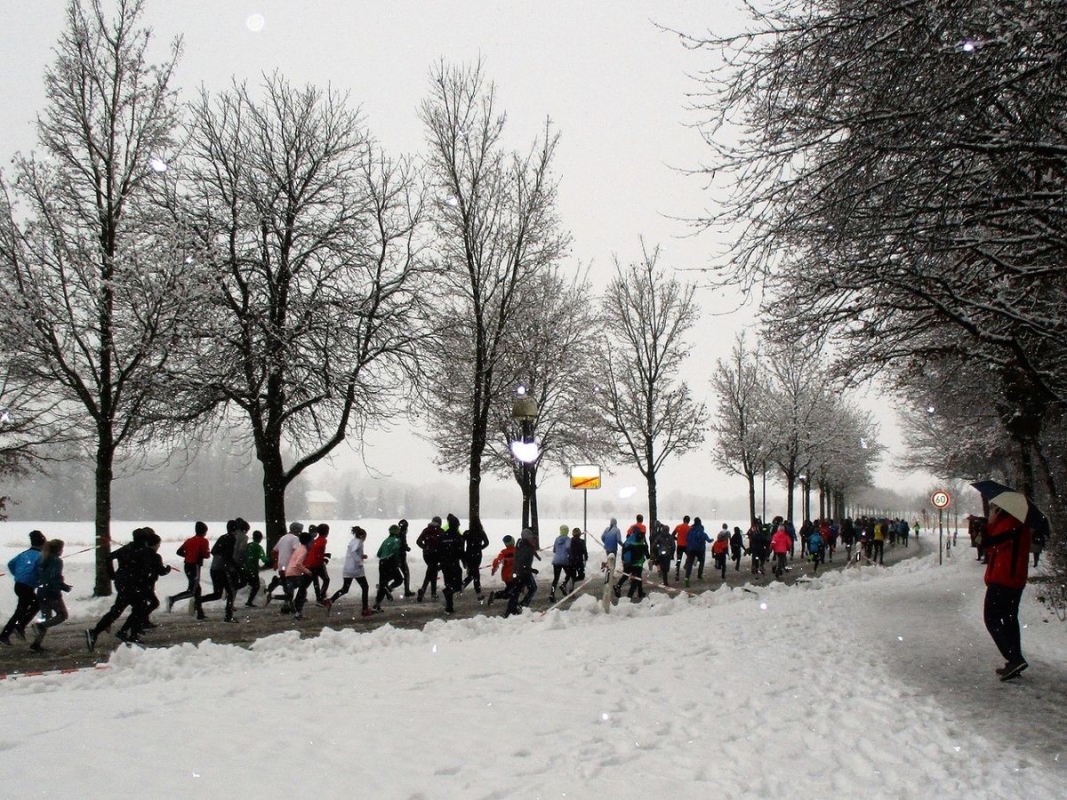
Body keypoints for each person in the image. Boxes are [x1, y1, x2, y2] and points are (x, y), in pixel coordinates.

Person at [982, 501, 1032, 681]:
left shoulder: (1010, 524)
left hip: (1003, 579)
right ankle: (1014, 660)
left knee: (991, 618)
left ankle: (1014, 658)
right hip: (1013, 579)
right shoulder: (1020, 523)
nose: (994, 509)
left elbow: (988, 544)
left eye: (996, 507)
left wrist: (990, 524)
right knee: (1010, 619)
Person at [0, 529, 46, 646]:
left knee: (21, 610)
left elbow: (11, 563)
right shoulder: (40, 556)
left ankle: (7, 634)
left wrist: (18, 574)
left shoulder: (24, 554)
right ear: (42, 544)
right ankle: (18, 627)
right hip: (27, 586)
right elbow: (41, 571)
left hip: (19, 585)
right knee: (36, 605)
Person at [30, 539, 71, 652]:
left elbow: (38, 574)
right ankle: (40, 626)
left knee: (47, 618)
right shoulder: (57, 561)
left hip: (41, 591)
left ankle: (36, 644)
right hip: (52, 593)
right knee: (62, 615)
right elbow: (54, 577)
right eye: (62, 548)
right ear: (58, 549)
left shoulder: (41, 559)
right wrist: (64, 587)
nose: (62, 551)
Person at [166, 521, 211, 618]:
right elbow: (206, 554)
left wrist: (188, 555)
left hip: (187, 566)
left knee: (197, 589)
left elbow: (179, 551)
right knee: (193, 590)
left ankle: (200, 613)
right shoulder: (203, 541)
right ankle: (172, 599)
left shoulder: (189, 540)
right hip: (195, 566)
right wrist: (198, 555)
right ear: (204, 531)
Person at [199, 519, 239, 622]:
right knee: (230, 592)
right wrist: (236, 567)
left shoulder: (222, 537)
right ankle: (228, 616)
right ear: (235, 529)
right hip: (222, 569)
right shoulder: (231, 538)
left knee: (217, 594)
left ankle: (198, 600)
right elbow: (228, 556)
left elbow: (213, 551)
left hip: (214, 568)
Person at [328, 526, 371, 617]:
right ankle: (365, 609)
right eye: (365, 537)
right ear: (362, 536)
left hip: (348, 569)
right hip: (356, 569)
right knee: (365, 587)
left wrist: (361, 556)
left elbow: (353, 552)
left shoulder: (353, 541)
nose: (365, 539)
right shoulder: (359, 542)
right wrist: (359, 561)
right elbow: (353, 552)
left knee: (345, 589)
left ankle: (331, 600)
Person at [266, 522, 303, 609]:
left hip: (282, 566)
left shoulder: (283, 538)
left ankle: (287, 604)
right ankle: (276, 592)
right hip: (290, 567)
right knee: (297, 584)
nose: (300, 533)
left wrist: (276, 562)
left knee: (288, 584)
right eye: (300, 531)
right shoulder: (295, 538)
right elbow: (297, 551)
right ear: (296, 530)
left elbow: (274, 551)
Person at [505, 528, 540, 617]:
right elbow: (522, 562)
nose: (533, 540)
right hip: (523, 572)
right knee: (532, 588)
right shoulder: (526, 548)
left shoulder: (521, 545)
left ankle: (511, 610)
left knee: (516, 591)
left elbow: (520, 561)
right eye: (532, 538)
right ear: (528, 538)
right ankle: (521, 606)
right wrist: (531, 570)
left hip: (519, 572)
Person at [372, 525, 405, 612]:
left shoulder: (385, 541)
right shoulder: (396, 540)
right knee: (399, 579)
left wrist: (385, 554)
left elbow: (379, 554)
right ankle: (388, 588)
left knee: (383, 582)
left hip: (382, 562)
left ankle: (377, 605)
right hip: (390, 561)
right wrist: (397, 561)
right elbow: (396, 550)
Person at [283, 531, 314, 620]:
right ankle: (298, 612)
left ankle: (294, 607)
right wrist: (307, 571)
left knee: (291, 593)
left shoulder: (299, 548)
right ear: (308, 542)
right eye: (311, 542)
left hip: (289, 572)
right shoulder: (304, 550)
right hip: (294, 574)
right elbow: (298, 563)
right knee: (303, 591)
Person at [439, 514, 465, 613]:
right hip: (454, 564)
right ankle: (448, 597)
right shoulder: (458, 537)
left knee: (449, 584)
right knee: (457, 585)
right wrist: (464, 562)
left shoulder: (443, 536)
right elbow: (461, 552)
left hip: (445, 564)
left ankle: (449, 606)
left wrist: (440, 563)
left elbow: (439, 550)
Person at [616, 525, 649, 601]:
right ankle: (629, 596)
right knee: (636, 580)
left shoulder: (631, 543)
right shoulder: (643, 546)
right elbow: (648, 556)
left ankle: (639, 592)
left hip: (630, 564)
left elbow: (624, 549)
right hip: (638, 565)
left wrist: (624, 559)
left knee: (632, 577)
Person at [416, 516, 445, 602]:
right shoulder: (441, 531)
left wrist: (425, 547)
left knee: (432, 571)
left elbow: (418, 541)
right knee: (432, 571)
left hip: (427, 555)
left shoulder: (426, 530)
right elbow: (443, 544)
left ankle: (430, 592)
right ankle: (427, 590)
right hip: (436, 554)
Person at [242, 531, 272, 607]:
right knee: (256, 586)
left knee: (244, 583)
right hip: (253, 570)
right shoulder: (258, 547)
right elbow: (264, 559)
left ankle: (232, 594)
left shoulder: (248, 545)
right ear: (260, 539)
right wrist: (270, 560)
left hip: (244, 569)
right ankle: (249, 601)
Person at [461, 520, 490, 599]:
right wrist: (479, 548)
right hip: (477, 555)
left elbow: (461, 545)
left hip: (468, 554)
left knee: (472, 574)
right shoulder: (481, 533)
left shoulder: (467, 533)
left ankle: (462, 586)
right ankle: (478, 594)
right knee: (475, 574)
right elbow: (487, 543)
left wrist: (464, 555)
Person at [487, 535, 516, 606]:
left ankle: (497, 595)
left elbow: (497, 561)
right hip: (514, 574)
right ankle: (497, 595)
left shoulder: (503, 552)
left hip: (506, 575)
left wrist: (494, 569)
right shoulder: (517, 550)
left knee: (511, 589)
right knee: (512, 591)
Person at [305, 523, 331, 603]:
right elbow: (318, 552)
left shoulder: (317, 540)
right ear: (326, 532)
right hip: (317, 563)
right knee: (326, 579)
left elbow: (315, 551)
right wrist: (323, 560)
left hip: (310, 562)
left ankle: (318, 598)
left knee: (314, 581)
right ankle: (321, 596)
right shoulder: (323, 540)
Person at [683, 517, 711, 587]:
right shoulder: (700, 531)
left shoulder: (690, 530)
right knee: (702, 561)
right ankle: (699, 575)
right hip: (699, 549)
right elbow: (708, 539)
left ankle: (687, 578)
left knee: (690, 563)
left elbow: (686, 538)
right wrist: (711, 540)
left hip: (690, 549)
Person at [562, 527, 588, 594]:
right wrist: (585, 558)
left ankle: (569, 587)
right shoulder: (581, 542)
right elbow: (584, 551)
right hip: (579, 561)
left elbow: (566, 550)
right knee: (581, 576)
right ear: (579, 534)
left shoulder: (569, 541)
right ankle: (572, 582)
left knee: (572, 575)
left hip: (571, 561)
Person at [549, 524, 571, 602]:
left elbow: (554, 550)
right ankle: (563, 584)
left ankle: (552, 593)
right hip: (564, 560)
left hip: (556, 560)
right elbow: (569, 549)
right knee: (569, 574)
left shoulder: (557, 539)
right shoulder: (568, 540)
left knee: (556, 578)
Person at [395, 519, 415, 597]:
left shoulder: (396, 534)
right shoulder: (402, 534)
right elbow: (402, 545)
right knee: (406, 574)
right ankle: (407, 591)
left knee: (394, 574)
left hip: (396, 557)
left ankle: (385, 587)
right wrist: (407, 548)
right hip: (401, 558)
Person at [672, 516, 691, 580]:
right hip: (686, 546)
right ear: (688, 521)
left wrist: (677, 539)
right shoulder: (689, 528)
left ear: (683, 520)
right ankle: (686, 565)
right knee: (689, 557)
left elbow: (672, 535)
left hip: (679, 545)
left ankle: (677, 574)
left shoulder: (678, 526)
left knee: (679, 560)